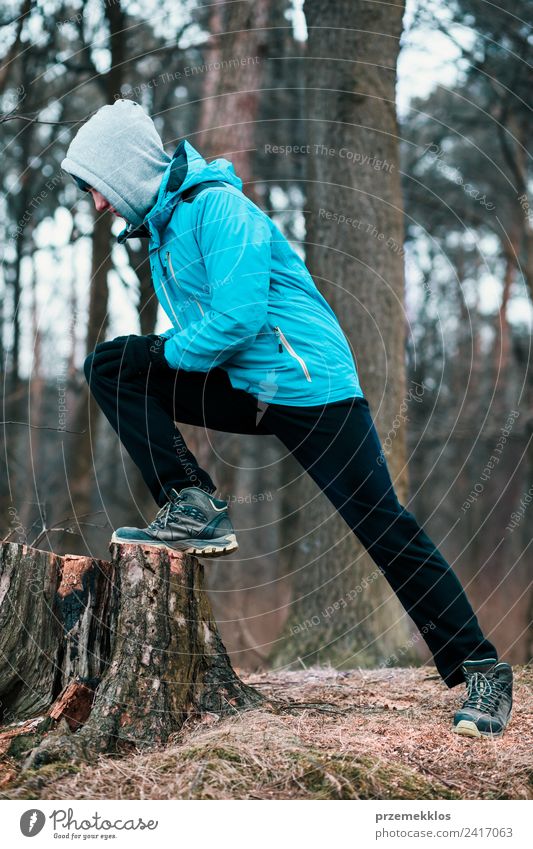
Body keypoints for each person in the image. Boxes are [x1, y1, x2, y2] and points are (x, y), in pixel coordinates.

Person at [61, 99, 513, 738]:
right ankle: (191, 500)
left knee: (384, 527)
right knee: (111, 365)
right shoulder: (164, 231)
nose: (100, 205)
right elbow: (208, 334)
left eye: (99, 189)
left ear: (128, 170)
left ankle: (482, 671)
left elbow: (239, 319)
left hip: (310, 387)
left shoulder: (218, 208)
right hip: (249, 384)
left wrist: (161, 352)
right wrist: (160, 359)